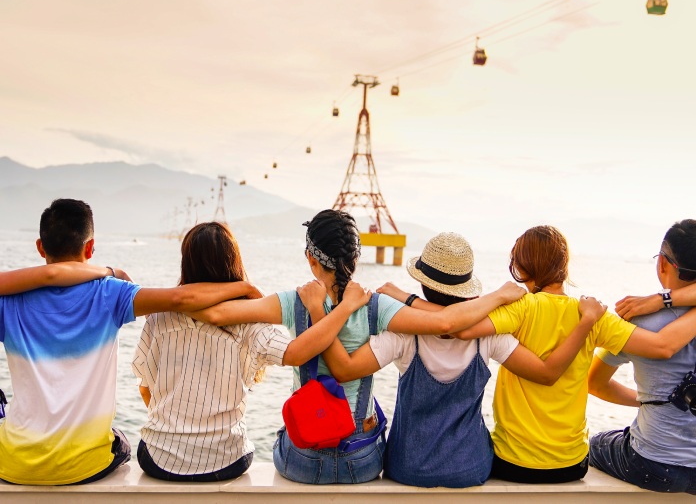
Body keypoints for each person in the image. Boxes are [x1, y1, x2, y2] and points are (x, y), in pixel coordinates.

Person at [184, 210, 534, 485]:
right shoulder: (377, 306)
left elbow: (213, 313)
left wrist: (244, 286)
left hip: (304, 460)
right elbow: (446, 323)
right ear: (357, 255)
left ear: (311, 258)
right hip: (361, 460)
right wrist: (500, 295)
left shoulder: (293, 301)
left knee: (284, 432)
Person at [297, 232, 607, 488]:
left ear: (422, 284)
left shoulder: (404, 335)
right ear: (466, 289)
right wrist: (584, 323)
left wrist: (320, 313)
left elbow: (344, 369)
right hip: (470, 469)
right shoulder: (488, 335)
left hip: (408, 468)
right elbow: (545, 372)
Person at [391, 225, 696, 483]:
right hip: (570, 466)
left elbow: (456, 327)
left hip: (513, 462)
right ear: (565, 266)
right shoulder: (592, 314)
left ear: (521, 269)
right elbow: (660, 347)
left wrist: (406, 299)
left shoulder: (520, 308)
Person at [0, 199, 260, 486]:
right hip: (85, 465)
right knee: (119, 440)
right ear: (90, 247)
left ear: (40, 247)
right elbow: (182, 298)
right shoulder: (110, 293)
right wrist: (245, 287)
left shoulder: (7, 303)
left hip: (13, 463)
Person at [131, 222, 371, 482]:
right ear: (234, 262)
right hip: (226, 460)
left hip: (159, 458)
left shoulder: (159, 317)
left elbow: (146, 388)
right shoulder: (250, 323)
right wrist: (344, 308)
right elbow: (295, 353)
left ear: (186, 263)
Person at [588, 220, 696, 494]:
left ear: (662, 263)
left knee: (596, 443)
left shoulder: (638, 322)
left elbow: (595, 383)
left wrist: (652, 403)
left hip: (654, 465)